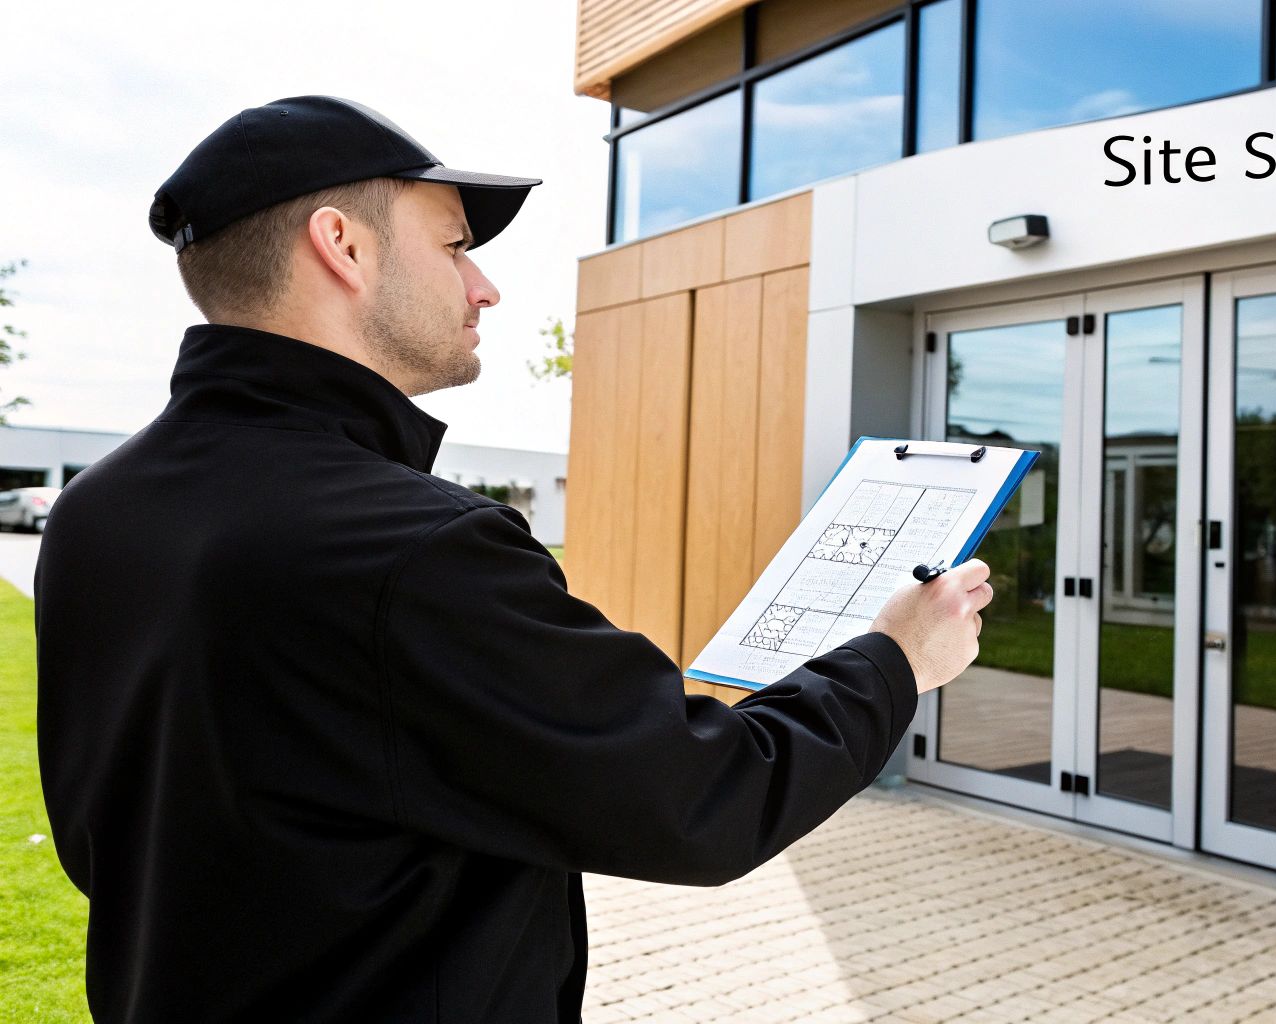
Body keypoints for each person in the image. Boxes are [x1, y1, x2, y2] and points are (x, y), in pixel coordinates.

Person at [33, 95, 993, 1023]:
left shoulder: (96, 513)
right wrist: (899, 657)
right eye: (455, 247)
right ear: (343, 246)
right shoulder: (413, 549)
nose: (484, 285)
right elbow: (706, 796)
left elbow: (103, 841)